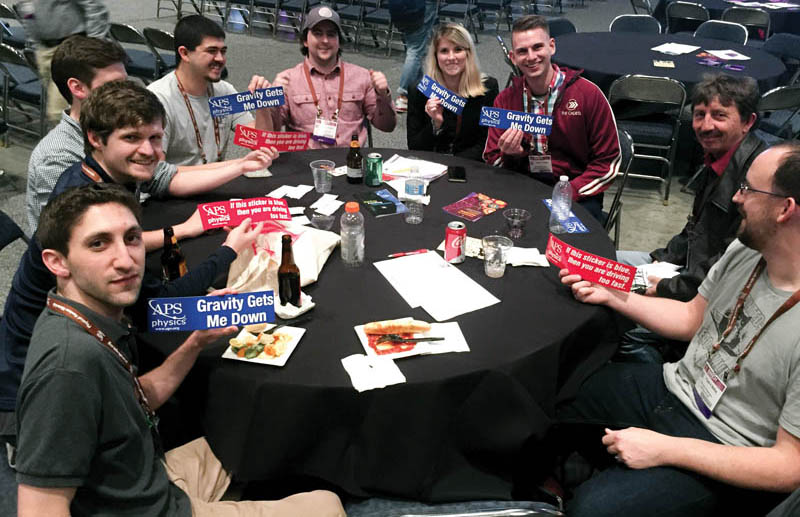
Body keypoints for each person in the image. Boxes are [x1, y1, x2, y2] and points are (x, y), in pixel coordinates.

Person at [14, 183, 346, 516]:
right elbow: (40, 508)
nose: (126, 260)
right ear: (57, 262)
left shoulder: (81, 316)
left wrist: (197, 340)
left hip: (148, 479)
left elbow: (137, 397)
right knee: (327, 505)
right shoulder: (68, 366)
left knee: (260, 427)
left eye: (132, 238)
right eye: (98, 244)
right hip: (156, 508)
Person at [0, 81, 261, 454]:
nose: (149, 150)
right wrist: (228, 251)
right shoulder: (82, 202)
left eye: (156, 138)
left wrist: (184, 231)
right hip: (37, 380)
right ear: (96, 139)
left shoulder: (103, 176)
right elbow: (159, 306)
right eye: (132, 138)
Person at [557, 141, 800, 516]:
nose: (736, 196)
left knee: (592, 510)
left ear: (786, 209)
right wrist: (612, 295)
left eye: (749, 189)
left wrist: (663, 449)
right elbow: (691, 319)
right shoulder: (745, 251)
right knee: (557, 386)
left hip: (729, 447)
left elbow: (789, 467)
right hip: (677, 387)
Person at [25, 34, 278, 235]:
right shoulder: (58, 155)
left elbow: (164, 175)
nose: (220, 60)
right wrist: (185, 230)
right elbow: (82, 245)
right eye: (114, 85)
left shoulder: (222, 91)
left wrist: (242, 164)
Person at [618, 74, 766, 302]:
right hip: (685, 270)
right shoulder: (717, 158)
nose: (706, 126)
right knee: (603, 264)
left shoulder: (758, 180)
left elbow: (729, 261)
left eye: (719, 116)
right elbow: (695, 228)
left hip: (702, 293)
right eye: (699, 115)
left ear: (748, 122)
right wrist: (664, 258)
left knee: (611, 303)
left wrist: (667, 287)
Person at [482, 15, 620, 221]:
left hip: (577, 191)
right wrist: (513, 154)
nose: (531, 57)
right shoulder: (505, 100)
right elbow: (492, 158)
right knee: (491, 225)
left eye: (537, 47)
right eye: (522, 51)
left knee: (563, 241)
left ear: (551, 47)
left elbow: (608, 162)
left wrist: (569, 191)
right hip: (524, 183)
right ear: (512, 57)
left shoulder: (588, 95)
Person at [147, 15, 275, 179]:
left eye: (223, 51)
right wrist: (235, 166)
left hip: (215, 187)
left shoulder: (224, 91)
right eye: (211, 51)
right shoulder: (158, 100)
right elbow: (157, 173)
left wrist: (262, 106)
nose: (220, 59)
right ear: (185, 53)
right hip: (171, 194)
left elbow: (261, 147)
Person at [270, 6, 397, 148]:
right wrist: (273, 100)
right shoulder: (288, 80)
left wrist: (383, 95)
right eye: (318, 33)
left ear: (339, 41)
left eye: (331, 34)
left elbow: (387, 126)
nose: (325, 40)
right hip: (305, 165)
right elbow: (271, 132)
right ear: (305, 40)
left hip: (351, 163)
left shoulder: (362, 76)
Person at [407, 23, 499, 162]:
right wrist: (435, 124)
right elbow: (414, 147)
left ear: (468, 53)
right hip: (431, 164)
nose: (451, 57)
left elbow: (485, 143)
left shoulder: (488, 88)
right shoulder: (419, 90)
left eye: (458, 49)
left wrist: (453, 166)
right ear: (436, 57)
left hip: (471, 166)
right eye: (444, 51)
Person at [20, 0, 109, 123]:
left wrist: (93, 44)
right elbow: (28, 14)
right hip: (44, 51)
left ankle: (78, 139)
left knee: (61, 112)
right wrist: (35, 45)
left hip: (70, 48)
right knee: (66, 110)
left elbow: (94, 8)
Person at [389, 0, 438, 113]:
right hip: (419, 7)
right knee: (415, 51)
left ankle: (418, 88)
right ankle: (403, 95)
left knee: (415, 48)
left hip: (402, 9)